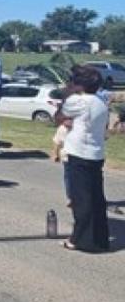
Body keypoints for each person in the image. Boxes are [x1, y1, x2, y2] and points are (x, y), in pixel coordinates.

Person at [56, 65, 111, 252]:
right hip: (96, 153)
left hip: (79, 153)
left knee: (81, 200)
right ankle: (101, 238)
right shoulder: (100, 101)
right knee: (97, 198)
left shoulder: (78, 101)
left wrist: (68, 92)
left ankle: (78, 239)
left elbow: (60, 115)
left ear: (79, 84)